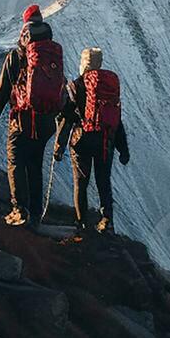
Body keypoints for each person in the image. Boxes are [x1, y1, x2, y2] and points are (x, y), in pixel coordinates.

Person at [0, 4, 66, 231]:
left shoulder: (17, 56)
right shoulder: (52, 55)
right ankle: (36, 214)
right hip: (45, 121)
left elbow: (2, 91)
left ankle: (19, 209)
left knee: (16, 162)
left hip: (21, 120)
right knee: (34, 165)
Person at [54, 47, 130, 236]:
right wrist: (123, 149)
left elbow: (67, 118)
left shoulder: (76, 85)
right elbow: (116, 120)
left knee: (81, 183)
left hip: (81, 141)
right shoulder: (108, 87)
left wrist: (59, 146)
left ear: (83, 63)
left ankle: (82, 224)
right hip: (105, 141)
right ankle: (107, 222)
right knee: (103, 181)